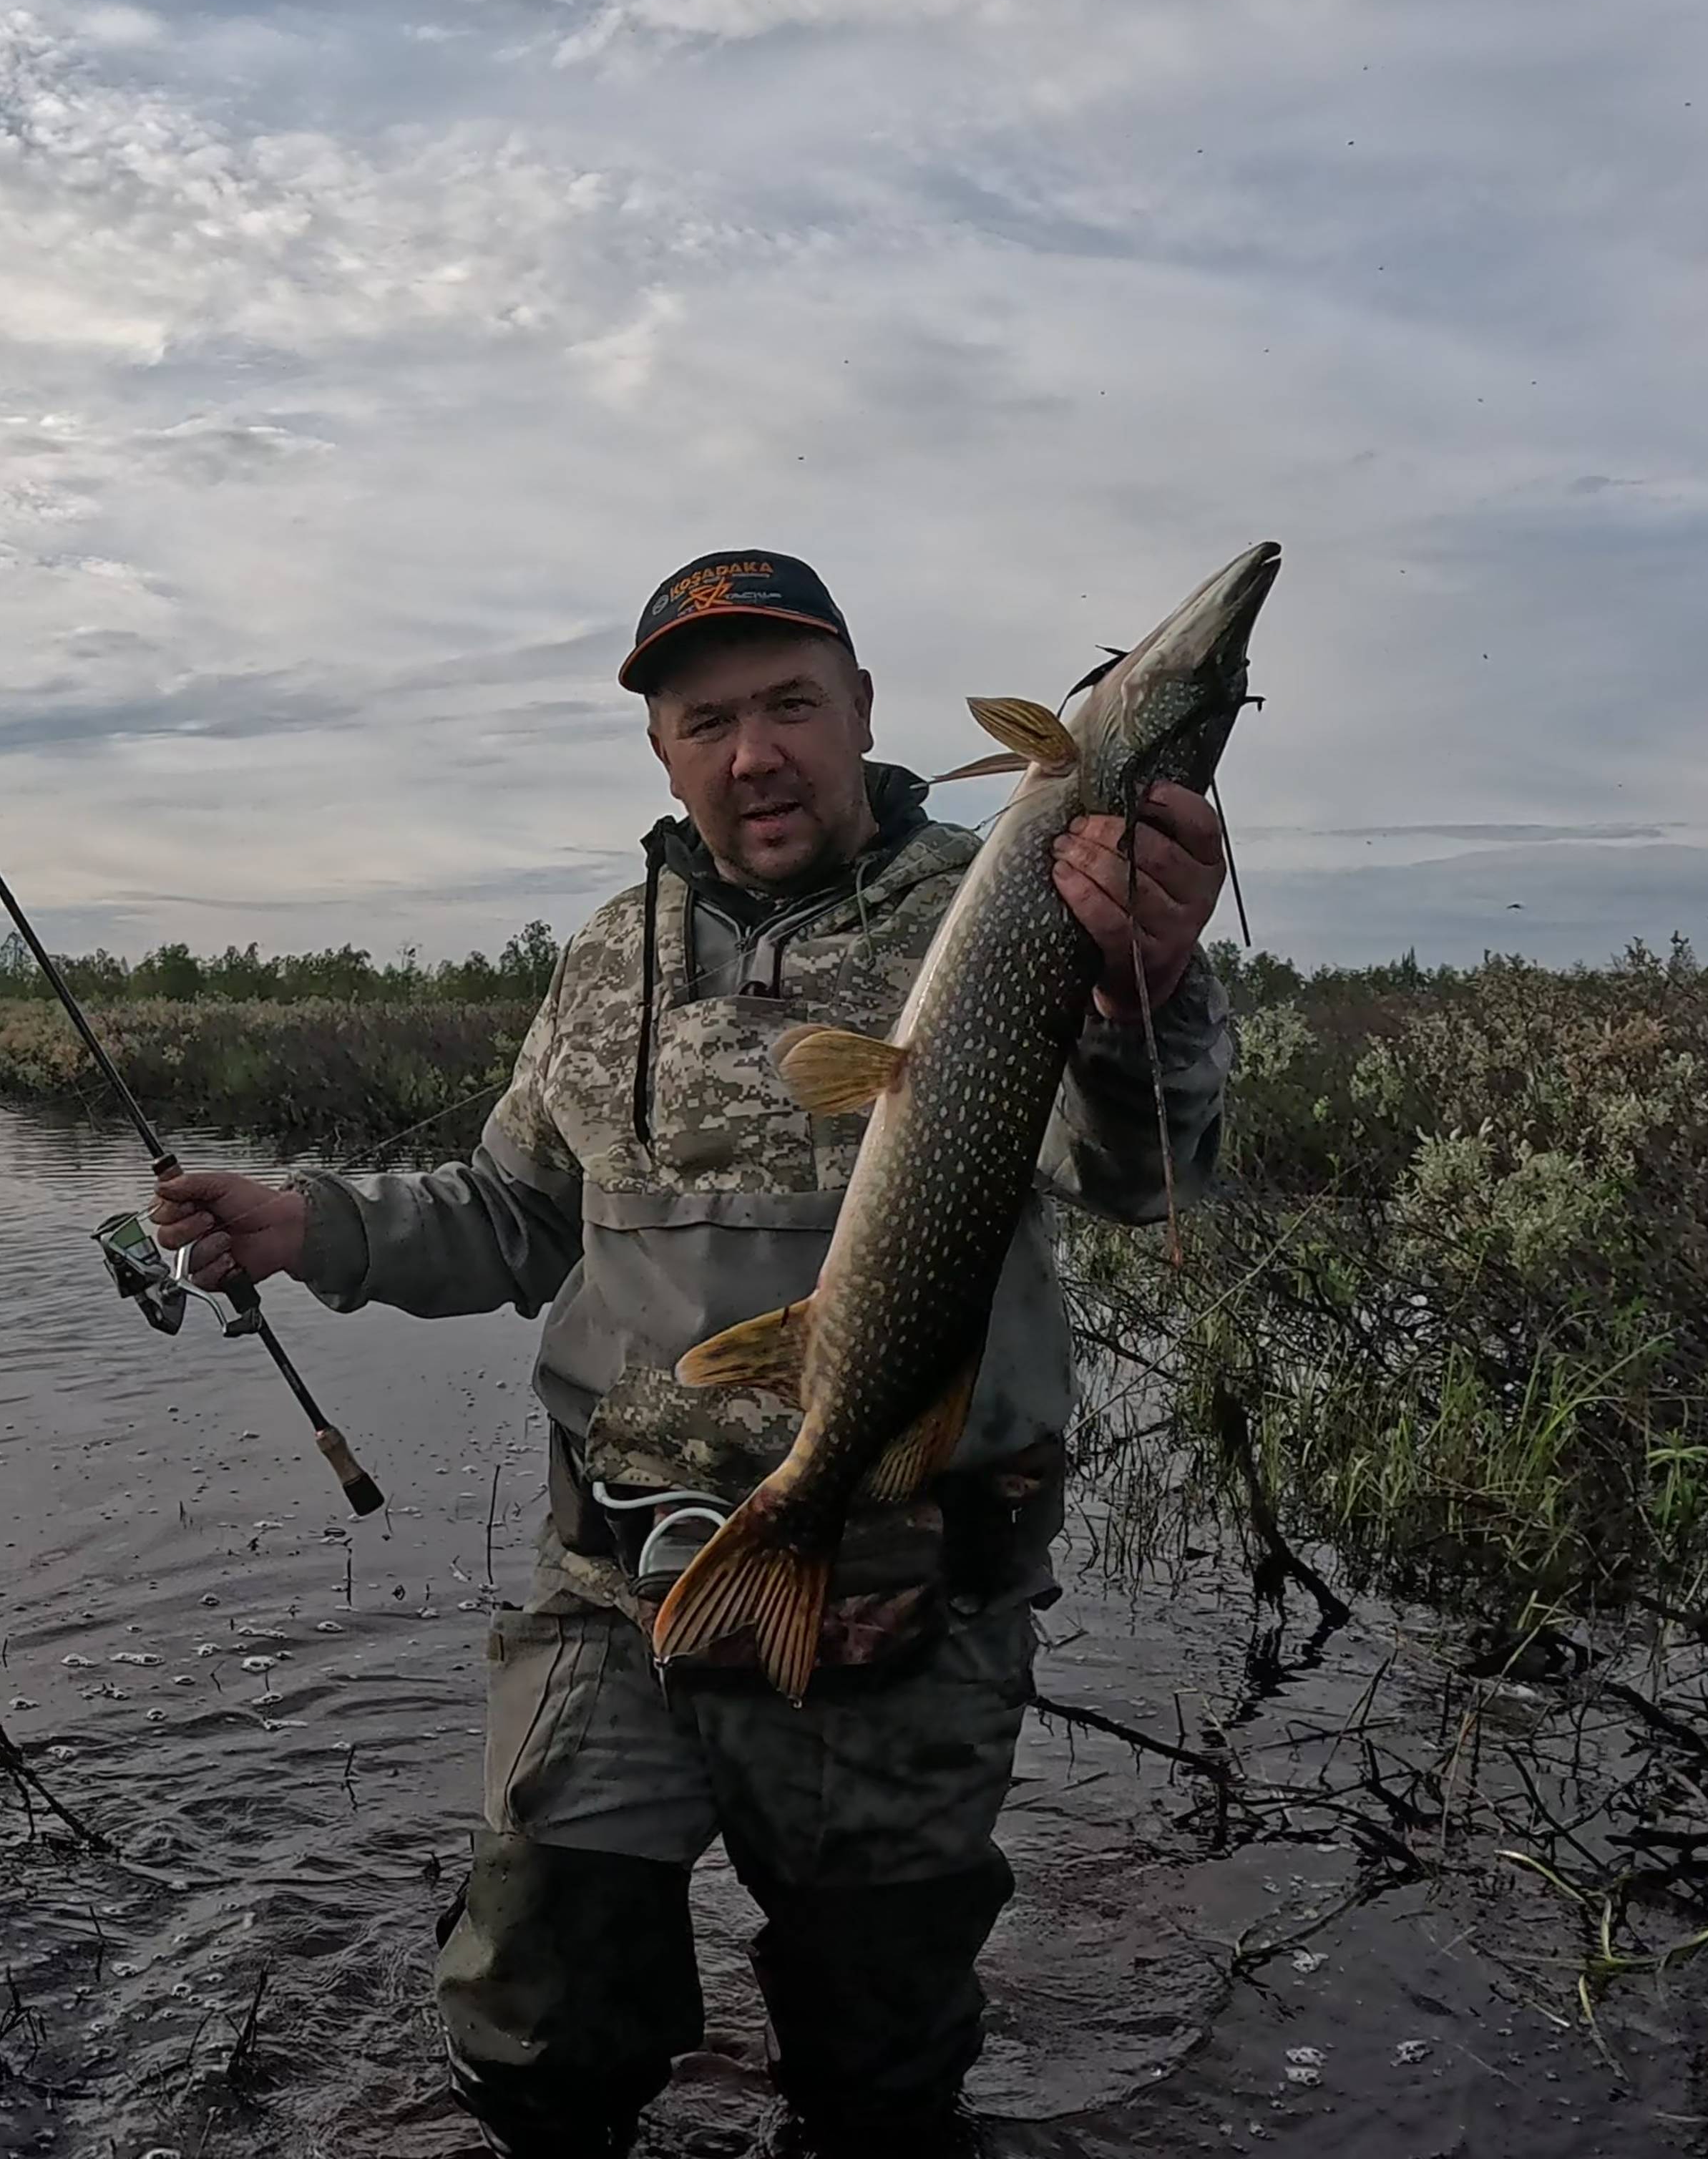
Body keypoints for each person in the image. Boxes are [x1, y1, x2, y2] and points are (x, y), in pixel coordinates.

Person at [151, 548, 1232, 2158]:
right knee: (540, 2019)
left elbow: (1141, 1173)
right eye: (707, 721)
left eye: (791, 704)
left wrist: (1150, 987)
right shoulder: (610, 954)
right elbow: (515, 1216)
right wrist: (305, 1223)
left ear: (864, 709)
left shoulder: (1017, 900)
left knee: (879, 2070)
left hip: (913, 1601)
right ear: (662, 750)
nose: (754, 754)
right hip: (621, 1588)